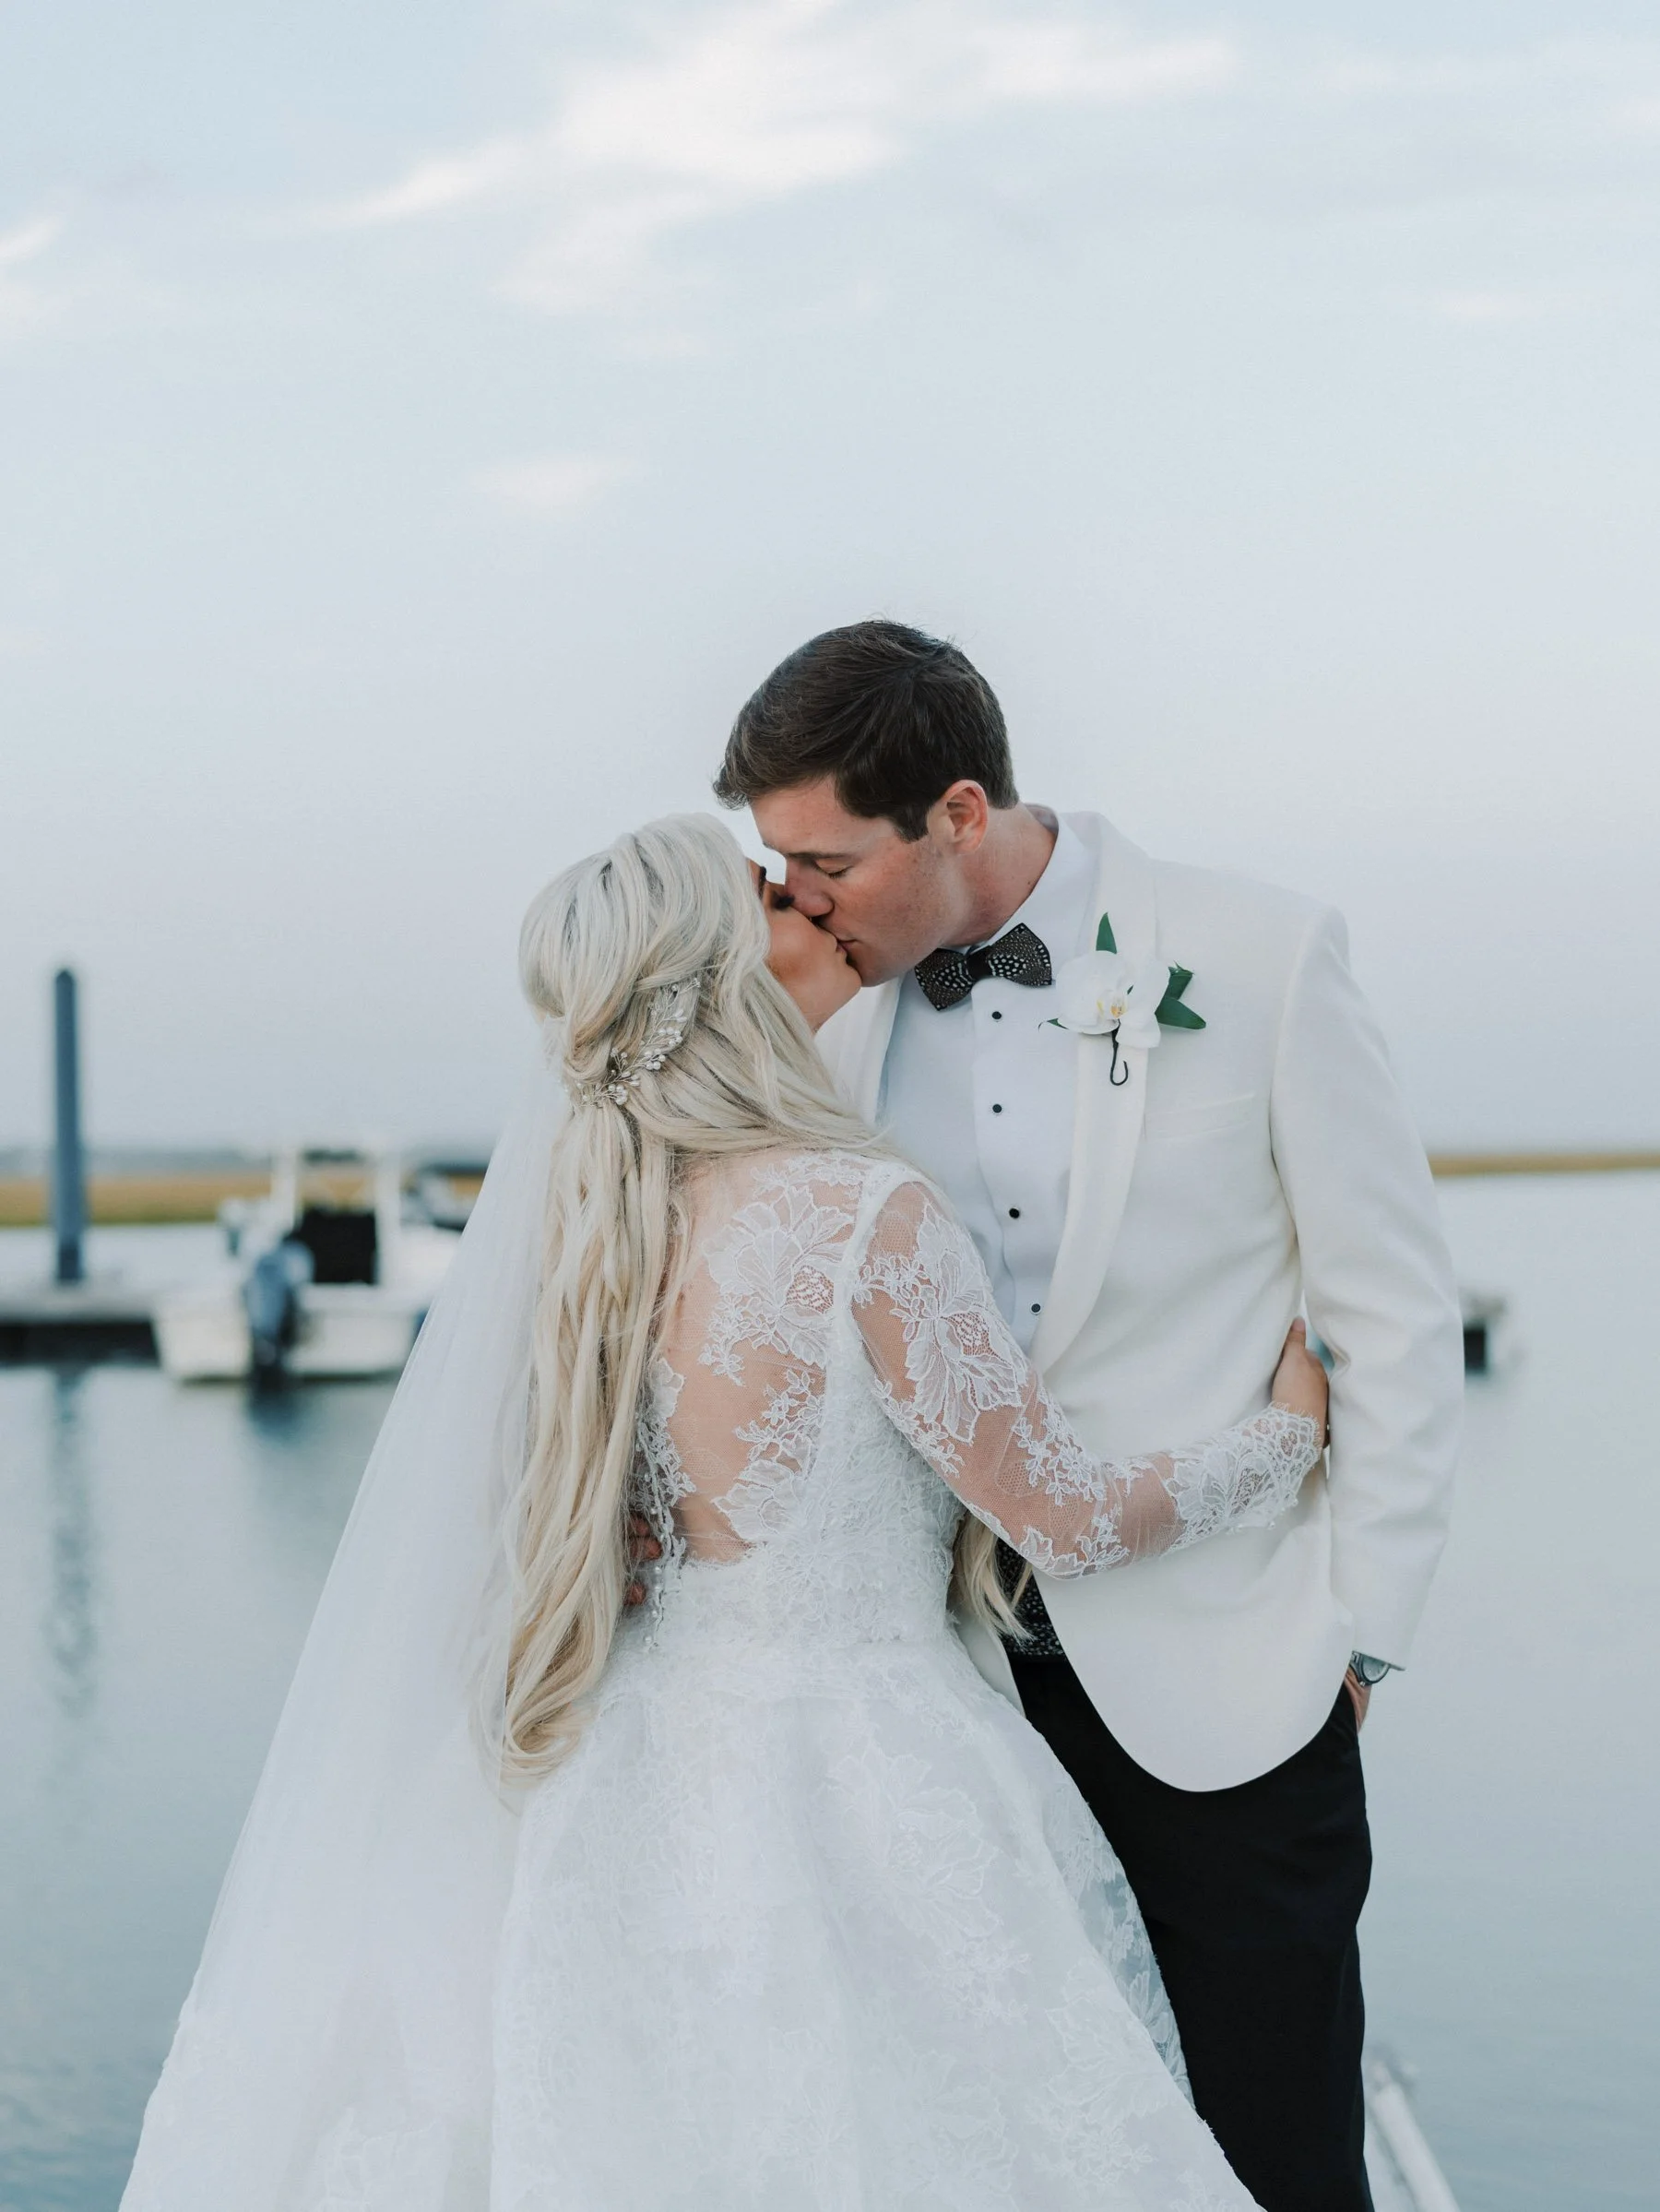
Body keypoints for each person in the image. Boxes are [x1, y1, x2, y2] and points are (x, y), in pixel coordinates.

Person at [122, 813, 1330, 2211]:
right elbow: (1059, 1513)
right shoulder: (864, 1214)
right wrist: (1280, 1438)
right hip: (869, 1783)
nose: (809, 902)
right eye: (768, 893)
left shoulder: (597, 1228)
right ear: (716, 971)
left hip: (630, 1785)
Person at [716, 621, 1465, 2212]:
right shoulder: (816, 1012)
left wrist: (1364, 1645)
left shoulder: (1259, 953)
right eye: (774, 862)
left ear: (961, 813)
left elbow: (1396, 1319)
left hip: (1236, 1695)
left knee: (1274, 2165)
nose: (794, 898)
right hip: (942, 1712)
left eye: (824, 859)